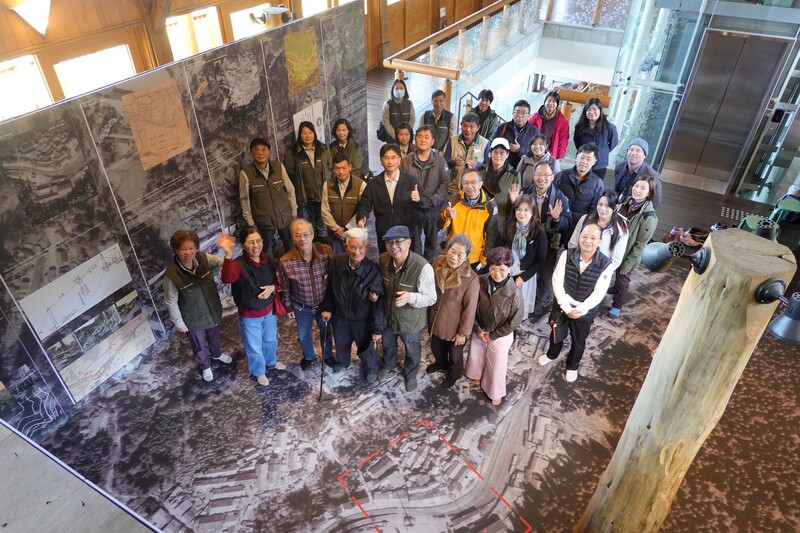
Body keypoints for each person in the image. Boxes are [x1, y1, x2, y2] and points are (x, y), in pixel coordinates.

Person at [538, 223, 614, 382]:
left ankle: (572, 365)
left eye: (593, 238)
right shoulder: (567, 254)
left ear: (599, 241)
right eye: (585, 236)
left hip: (584, 311)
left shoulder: (606, 264)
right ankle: (552, 354)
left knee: (579, 341)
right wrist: (566, 307)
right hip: (562, 304)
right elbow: (557, 280)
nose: (588, 241)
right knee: (556, 333)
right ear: (579, 237)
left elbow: (599, 293)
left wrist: (580, 309)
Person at [219, 227, 285, 387]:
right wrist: (228, 254)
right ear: (243, 245)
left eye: (258, 241)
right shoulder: (237, 264)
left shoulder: (268, 259)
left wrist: (272, 288)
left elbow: (277, 281)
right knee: (254, 347)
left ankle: (271, 362)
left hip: (268, 311)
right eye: (251, 242)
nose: (256, 245)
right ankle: (259, 372)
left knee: (270, 340)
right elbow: (227, 278)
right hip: (249, 316)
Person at [507, 160, 570, 322]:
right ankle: (519, 302)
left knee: (545, 275)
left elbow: (568, 223)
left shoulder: (559, 196)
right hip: (528, 240)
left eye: (546, 174)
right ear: (533, 176)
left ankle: (539, 305)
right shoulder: (526, 192)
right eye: (538, 174)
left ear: (553, 176)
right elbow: (517, 213)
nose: (542, 178)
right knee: (526, 270)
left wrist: (557, 219)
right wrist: (513, 203)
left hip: (549, 241)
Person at [164, 230, 231, 382]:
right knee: (198, 344)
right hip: (192, 317)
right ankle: (205, 366)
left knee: (215, 336)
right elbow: (170, 301)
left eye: (191, 248)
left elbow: (220, 262)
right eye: (183, 249)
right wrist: (179, 323)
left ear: (196, 248)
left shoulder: (204, 258)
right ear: (176, 250)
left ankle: (216, 353)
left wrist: (211, 274)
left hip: (211, 310)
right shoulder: (171, 274)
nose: (188, 252)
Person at [377, 225, 437, 392]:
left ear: (409, 242)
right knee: (388, 345)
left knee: (412, 348)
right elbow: (378, 284)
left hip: (410, 321)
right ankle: (387, 364)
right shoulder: (382, 260)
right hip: (388, 316)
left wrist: (411, 297)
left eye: (399, 242)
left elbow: (431, 297)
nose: (393, 246)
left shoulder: (422, 267)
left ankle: (410, 374)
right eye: (389, 242)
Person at [320, 228, 384, 382]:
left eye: (361, 247)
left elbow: (378, 303)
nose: (357, 251)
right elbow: (330, 288)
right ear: (345, 247)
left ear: (366, 248)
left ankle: (370, 369)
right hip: (340, 316)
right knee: (341, 344)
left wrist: (377, 328)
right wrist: (327, 308)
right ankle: (343, 362)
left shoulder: (372, 270)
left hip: (362, 319)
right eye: (353, 247)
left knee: (366, 348)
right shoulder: (336, 262)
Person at [465, 247, 524, 405]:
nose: (497, 273)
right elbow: (471, 306)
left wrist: (493, 335)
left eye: (502, 270)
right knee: (476, 352)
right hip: (480, 327)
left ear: (510, 269)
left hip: (501, 333)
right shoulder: (480, 280)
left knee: (497, 363)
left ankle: (494, 390)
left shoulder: (515, 293)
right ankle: (477, 374)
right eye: (493, 268)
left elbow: (515, 320)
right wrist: (478, 329)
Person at [276, 219, 333, 370]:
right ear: (293, 238)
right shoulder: (286, 261)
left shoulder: (326, 252)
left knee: (326, 331)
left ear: (313, 235)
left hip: (323, 304)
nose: (302, 239)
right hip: (301, 306)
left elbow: (333, 279)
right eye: (298, 235)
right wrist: (288, 307)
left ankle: (327, 355)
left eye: (306, 234)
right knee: (303, 335)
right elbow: (285, 286)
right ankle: (308, 355)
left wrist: (332, 303)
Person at [426, 234, 480, 389]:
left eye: (460, 254)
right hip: (437, 317)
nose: (454, 257)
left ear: (466, 256)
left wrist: (462, 333)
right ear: (447, 250)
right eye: (452, 251)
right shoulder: (438, 262)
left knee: (455, 355)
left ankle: (454, 374)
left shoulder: (471, 279)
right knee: (436, 347)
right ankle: (440, 364)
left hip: (456, 324)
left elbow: (470, 309)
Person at [358, 144, 426, 254]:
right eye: (386, 158)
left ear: (399, 160)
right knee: (386, 263)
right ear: (381, 161)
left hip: (407, 232)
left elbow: (425, 204)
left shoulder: (412, 181)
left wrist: (419, 199)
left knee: (408, 263)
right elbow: (364, 204)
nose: (390, 162)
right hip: (385, 232)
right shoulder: (374, 183)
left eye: (393, 157)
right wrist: (362, 218)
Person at [608, 177, 658, 318]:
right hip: (615, 247)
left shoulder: (649, 217)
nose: (637, 190)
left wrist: (628, 263)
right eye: (636, 186)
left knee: (623, 279)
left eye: (643, 188)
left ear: (649, 193)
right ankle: (615, 287)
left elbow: (641, 245)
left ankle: (617, 305)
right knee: (609, 273)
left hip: (628, 254)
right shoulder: (626, 202)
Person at [239, 137, 297, 258]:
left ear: (269, 152)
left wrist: (294, 210)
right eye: (257, 150)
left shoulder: (279, 167)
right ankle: (272, 275)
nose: (261, 153)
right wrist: (251, 223)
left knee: (290, 246)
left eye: (264, 150)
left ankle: (292, 272)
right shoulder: (246, 173)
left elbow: (290, 190)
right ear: (251, 152)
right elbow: (244, 200)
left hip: (285, 217)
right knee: (266, 252)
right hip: (263, 222)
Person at [401, 125, 449, 261]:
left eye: (426, 137)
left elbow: (445, 184)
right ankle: (416, 266)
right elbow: (401, 184)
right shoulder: (406, 161)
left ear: (433, 141)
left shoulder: (440, 160)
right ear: (415, 139)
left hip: (433, 209)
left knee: (431, 242)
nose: (422, 140)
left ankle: (428, 266)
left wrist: (431, 201)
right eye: (419, 136)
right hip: (413, 209)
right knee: (414, 242)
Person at [495, 195, 547, 316]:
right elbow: (497, 251)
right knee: (503, 306)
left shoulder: (539, 233)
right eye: (518, 209)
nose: (521, 213)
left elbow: (540, 261)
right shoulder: (506, 228)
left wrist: (521, 278)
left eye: (526, 210)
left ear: (532, 212)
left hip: (525, 276)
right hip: (505, 273)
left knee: (518, 308)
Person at [283, 121, 332, 242]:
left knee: (322, 221)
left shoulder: (323, 149)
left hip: (322, 195)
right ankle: (312, 244)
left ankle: (323, 244)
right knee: (307, 224)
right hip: (304, 198)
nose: (308, 135)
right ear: (299, 135)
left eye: (310, 132)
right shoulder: (293, 153)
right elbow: (289, 175)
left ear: (314, 133)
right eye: (304, 133)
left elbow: (330, 167)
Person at [440, 169, 498, 269]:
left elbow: (491, 235)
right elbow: (438, 224)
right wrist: (447, 215)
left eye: (473, 182)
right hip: (452, 254)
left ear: (481, 184)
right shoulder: (454, 200)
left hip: (473, 257)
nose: (469, 186)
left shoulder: (490, 206)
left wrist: (484, 259)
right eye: (465, 183)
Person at [568, 190, 629, 270]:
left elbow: (616, 260)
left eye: (607, 206)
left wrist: (601, 273)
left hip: (601, 270)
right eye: (600, 204)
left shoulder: (621, 228)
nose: (602, 209)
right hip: (578, 265)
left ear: (615, 207)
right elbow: (573, 244)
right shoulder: (585, 219)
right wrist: (577, 264)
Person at [321, 152, 367, 255]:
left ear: (350, 167)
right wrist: (337, 228)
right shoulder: (327, 185)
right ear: (333, 169)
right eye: (337, 168)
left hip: (354, 232)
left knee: (355, 258)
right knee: (337, 260)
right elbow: (325, 211)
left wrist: (346, 228)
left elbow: (362, 210)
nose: (340, 172)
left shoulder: (361, 185)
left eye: (344, 168)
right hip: (334, 233)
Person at [556, 142, 604, 229]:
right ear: (576, 157)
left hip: (580, 227)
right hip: (558, 223)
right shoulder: (561, 175)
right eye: (582, 157)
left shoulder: (598, 183)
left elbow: (595, 209)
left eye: (589, 159)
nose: (584, 162)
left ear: (594, 162)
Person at [573, 98, 618, 178]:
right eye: (589, 109)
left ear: (600, 111)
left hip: (599, 165)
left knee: (596, 187)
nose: (591, 112)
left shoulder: (609, 127)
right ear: (585, 111)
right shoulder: (580, 127)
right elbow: (577, 143)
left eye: (594, 109)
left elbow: (613, 142)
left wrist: (602, 151)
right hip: (583, 163)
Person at [487, 99, 539, 169]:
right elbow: (490, 144)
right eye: (517, 112)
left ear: (529, 115)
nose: (520, 116)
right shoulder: (502, 127)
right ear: (513, 114)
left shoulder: (534, 132)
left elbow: (538, 152)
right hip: (501, 168)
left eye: (524, 113)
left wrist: (520, 150)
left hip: (523, 169)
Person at [444, 112, 488, 192]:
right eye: (465, 126)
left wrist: (477, 165)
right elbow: (443, 165)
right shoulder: (453, 140)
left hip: (474, 191)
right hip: (453, 190)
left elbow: (488, 168)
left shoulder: (485, 143)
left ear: (478, 127)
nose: (468, 130)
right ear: (461, 125)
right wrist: (453, 162)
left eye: (472, 127)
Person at [614, 138, 663, 208]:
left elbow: (655, 203)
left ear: (644, 155)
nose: (633, 153)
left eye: (638, 151)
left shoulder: (653, 176)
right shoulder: (620, 166)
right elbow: (617, 189)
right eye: (631, 149)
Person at [484, 138, 521, 219]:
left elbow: (517, 205)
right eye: (495, 152)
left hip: (502, 221)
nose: (498, 155)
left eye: (502, 152)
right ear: (490, 153)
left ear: (507, 154)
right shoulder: (481, 172)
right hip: (480, 219)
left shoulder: (514, 176)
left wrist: (513, 202)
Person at [528, 91, 569, 160]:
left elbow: (563, 140)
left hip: (550, 154)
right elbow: (528, 133)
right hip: (534, 152)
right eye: (549, 101)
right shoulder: (535, 117)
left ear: (557, 104)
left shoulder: (562, 121)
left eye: (554, 102)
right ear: (545, 102)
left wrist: (560, 156)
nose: (551, 104)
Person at [381, 79, 415, 143]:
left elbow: (412, 119)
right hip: (392, 138)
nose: (399, 90)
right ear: (392, 90)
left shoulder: (409, 103)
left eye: (401, 88)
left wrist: (406, 134)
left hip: (406, 138)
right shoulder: (388, 104)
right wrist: (396, 136)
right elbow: (385, 121)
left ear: (405, 90)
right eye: (396, 88)